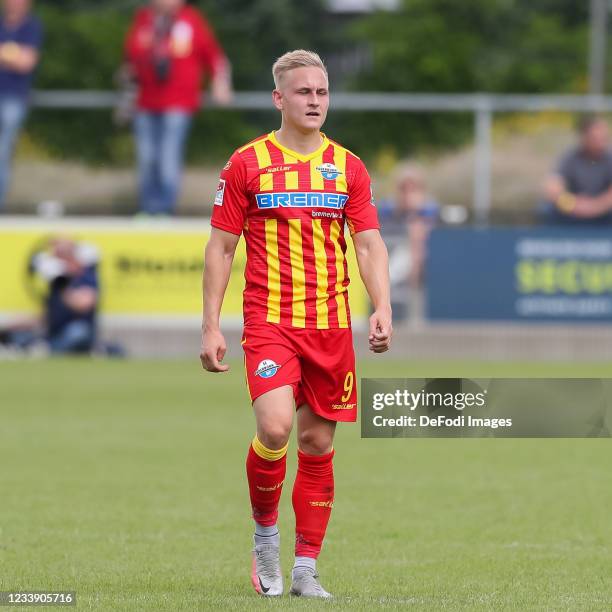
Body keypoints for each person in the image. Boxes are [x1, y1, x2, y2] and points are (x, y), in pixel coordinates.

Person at [200, 50, 392, 599]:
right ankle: (266, 541)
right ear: (279, 98)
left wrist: (382, 305)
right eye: (304, 92)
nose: (315, 100)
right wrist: (211, 326)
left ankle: (306, 568)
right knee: (277, 427)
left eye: (322, 92)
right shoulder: (247, 163)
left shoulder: (348, 166)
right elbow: (220, 247)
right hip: (271, 323)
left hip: (331, 327)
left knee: (315, 441)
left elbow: (369, 242)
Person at [124, 0, 232, 215]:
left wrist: (221, 83)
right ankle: (147, 209)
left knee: (168, 156)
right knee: (147, 158)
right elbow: (131, 56)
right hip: (146, 101)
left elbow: (214, 56)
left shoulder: (191, 20)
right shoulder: (144, 19)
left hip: (179, 102)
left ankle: (164, 209)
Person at [0, 0, 42, 210]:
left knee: (3, 151)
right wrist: (12, 54)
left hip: (13, 97)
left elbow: (26, 63)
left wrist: (6, 54)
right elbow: (19, 58)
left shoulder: (31, 26)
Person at [542, 115, 612, 225]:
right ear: (584, 137)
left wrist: (593, 207)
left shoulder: (609, 159)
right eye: (596, 138)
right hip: (573, 211)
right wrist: (572, 205)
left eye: (604, 138)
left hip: (604, 213)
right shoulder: (570, 158)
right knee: (546, 209)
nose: (601, 143)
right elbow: (553, 187)